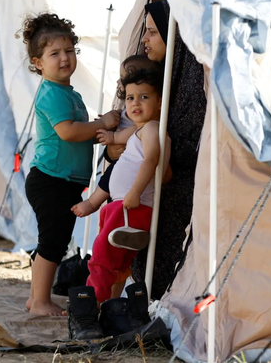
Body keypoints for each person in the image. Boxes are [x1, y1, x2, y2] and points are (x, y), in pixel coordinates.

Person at [21, 12, 120, 316]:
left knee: (57, 240)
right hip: (51, 180)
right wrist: (101, 123)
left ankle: (36, 298)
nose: (64, 58)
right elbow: (68, 132)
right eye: (54, 54)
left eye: (69, 51)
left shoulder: (69, 93)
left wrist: (101, 132)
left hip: (64, 182)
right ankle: (39, 301)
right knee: (52, 242)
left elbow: (78, 135)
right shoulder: (51, 94)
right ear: (38, 63)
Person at [67, 69, 171, 340]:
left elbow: (151, 160)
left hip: (128, 206)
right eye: (130, 98)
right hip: (121, 207)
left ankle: (89, 309)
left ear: (160, 102)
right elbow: (130, 144)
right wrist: (111, 139)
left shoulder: (151, 130)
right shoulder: (144, 130)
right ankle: (113, 310)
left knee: (101, 257)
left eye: (144, 97)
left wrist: (135, 191)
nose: (135, 103)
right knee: (119, 262)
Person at [131, 0, 207, 299]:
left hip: (185, 186)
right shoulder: (156, 80)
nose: (144, 40)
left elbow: (191, 146)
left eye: (152, 33)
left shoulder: (193, 85)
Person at [71, 54, 160, 218]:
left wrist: (114, 138)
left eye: (122, 78)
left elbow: (136, 129)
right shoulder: (129, 107)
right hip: (122, 172)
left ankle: (93, 202)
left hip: (131, 165)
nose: (119, 83)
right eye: (130, 98)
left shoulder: (148, 120)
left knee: (111, 173)